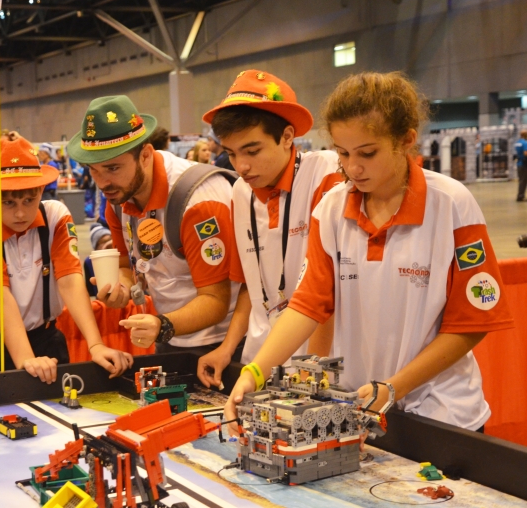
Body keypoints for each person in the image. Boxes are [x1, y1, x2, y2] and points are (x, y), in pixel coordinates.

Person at [225, 71, 514, 434]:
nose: (353, 168)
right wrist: (256, 371)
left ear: (405, 140)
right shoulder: (331, 208)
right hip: (360, 408)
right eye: (343, 153)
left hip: (440, 413)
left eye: (367, 153)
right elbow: (307, 304)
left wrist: (395, 387)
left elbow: (471, 324)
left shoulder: (452, 205)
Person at [197, 70, 343, 389]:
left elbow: (327, 293)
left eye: (252, 151)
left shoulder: (326, 175)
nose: (241, 166)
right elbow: (252, 286)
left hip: (317, 362)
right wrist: (227, 348)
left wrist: (313, 373)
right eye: (232, 154)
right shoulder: (239, 191)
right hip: (259, 361)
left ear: (288, 136)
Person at [67, 95, 240, 356]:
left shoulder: (198, 202)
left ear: (146, 155)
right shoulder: (117, 197)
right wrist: (122, 288)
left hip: (226, 343)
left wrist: (162, 325)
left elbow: (216, 301)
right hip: (168, 335)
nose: (102, 183)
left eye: (112, 168)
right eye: (93, 170)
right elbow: (127, 265)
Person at [0, 136, 133, 383]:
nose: (20, 212)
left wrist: (96, 346)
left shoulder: (56, 215)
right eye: (8, 202)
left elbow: (70, 281)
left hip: (46, 340)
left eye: (29, 200)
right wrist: (27, 360)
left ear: (41, 190)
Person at [83, 224, 114, 297]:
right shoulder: (89, 261)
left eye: (110, 239)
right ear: (96, 247)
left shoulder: (121, 257)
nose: (108, 244)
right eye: (103, 242)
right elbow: (90, 291)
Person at [515, 130, 527, 201]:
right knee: (524, 180)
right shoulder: (525, 143)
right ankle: (520, 196)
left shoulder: (518, 142)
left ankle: (520, 195)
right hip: (524, 164)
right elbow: (526, 153)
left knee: (521, 180)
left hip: (519, 163)